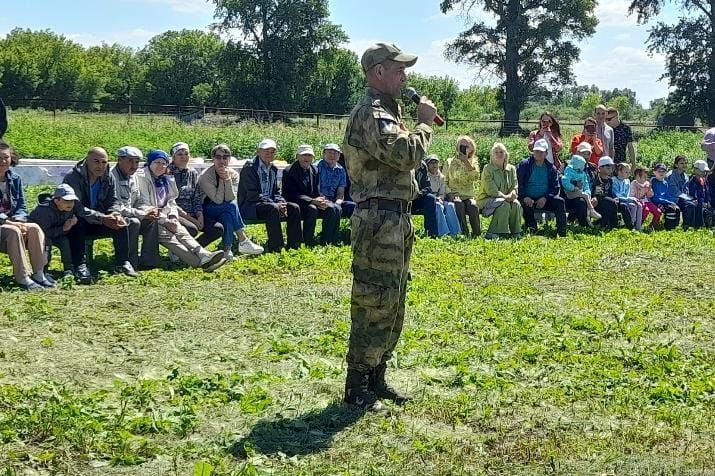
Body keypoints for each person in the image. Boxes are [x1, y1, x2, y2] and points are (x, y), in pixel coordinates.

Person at [342, 42, 436, 410]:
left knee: (393, 298)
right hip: (378, 219)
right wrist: (425, 123)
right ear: (378, 72)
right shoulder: (371, 113)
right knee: (373, 299)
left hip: (395, 217)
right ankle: (357, 385)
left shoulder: (390, 113)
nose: (405, 76)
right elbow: (405, 154)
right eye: (399, 70)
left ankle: (377, 375)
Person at [136, 150, 228, 271]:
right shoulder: (142, 178)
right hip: (147, 218)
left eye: (163, 163)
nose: (160, 166)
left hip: (164, 216)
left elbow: (171, 201)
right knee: (170, 237)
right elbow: (144, 205)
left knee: (181, 231)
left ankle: (203, 254)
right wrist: (165, 221)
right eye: (157, 162)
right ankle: (200, 263)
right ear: (149, 163)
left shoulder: (166, 179)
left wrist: (173, 217)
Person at [63, 147, 140, 283]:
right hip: (78, 219)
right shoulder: (73, 177)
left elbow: (113, 200)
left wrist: (114, 214)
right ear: (87, 161)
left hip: (99, 219)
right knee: (77, 224)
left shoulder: (108, 176)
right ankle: (80, 266)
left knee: (122, 222)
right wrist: (102, 218)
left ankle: (122, 263)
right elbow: (76, 206)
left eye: (104, 162)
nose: (100, 166)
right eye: (96, 161)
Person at [0, 141, 53, 290]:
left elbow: (22, 206)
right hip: (4, 226)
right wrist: (10, 223)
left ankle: (39, 273)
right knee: (14, 231)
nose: (3, 161)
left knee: (34, 228)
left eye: (6, 157)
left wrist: (20, 219)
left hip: (13, 222)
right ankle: (23, 277)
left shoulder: (15, 178)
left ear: (11, 159)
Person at [198, 144, 264, 260]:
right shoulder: (205, 176)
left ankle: (227, 250)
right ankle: (243, 240)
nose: (222, 160)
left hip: (225, 207)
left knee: (227, 214)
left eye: (225, 157)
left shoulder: (233, 174)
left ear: (229, 158)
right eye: (218, 157)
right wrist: (224, 180)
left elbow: (229, 198)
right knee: (231, 207)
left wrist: (227, 179)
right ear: (213, 159)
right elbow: (217, 200)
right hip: (207, 209)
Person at [238, 139, 302, 253]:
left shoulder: (273, 168)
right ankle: (276, 247)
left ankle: (294, 244)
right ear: (258, 152)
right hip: (250, 205)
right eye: (266, 151)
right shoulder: (250, 168)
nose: (269, 154)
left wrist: (281, 202)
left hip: (268, 203)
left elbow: (276, 191)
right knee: (273, 209)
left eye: (272, 152)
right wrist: (275, 204)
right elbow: (252, 194)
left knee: (294, 207)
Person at [111, 146, 161, 269]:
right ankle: (129, 263)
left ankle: (149, 262)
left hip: (132, 212)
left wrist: (148, 210)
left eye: (137, 162)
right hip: (115, 216)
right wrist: (141, 214)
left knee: (152, 220)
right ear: (119, 160)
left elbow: (139, 199)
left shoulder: (134, 176)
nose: (134, 165)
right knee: (134, 222)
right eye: (130, 161)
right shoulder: (110, 177)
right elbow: (117, 207)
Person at [282, 144, 341, 246]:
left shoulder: (314, 170)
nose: (307, 158)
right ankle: (308, 240)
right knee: (312, 209)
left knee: (333, 207)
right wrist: (312, 201)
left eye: (309, 156)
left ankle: (327, 240)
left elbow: (316, 191)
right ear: (297, 156)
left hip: (311, 201)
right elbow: (291, 194)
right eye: (304, 155)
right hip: (295, 201)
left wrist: (322, 200)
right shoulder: (289, 171)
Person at [168, 142, 223, 247]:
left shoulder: (192, 173)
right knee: (192, 229)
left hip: (192, 212)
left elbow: (196, 197)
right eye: (180, 154)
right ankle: (180, 250)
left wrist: (200, 216)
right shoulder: (167, 173)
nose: (183, 157)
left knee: (217, 228)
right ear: (173, 156)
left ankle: (193, 249)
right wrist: (192, 220)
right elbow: (170, 202)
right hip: (175, 213)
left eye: (186, 153)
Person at [517, 139, 567, 236]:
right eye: (536, 151)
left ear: (546, 153)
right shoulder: (524, 165)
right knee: (526, 205)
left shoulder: (551, 168)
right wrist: (524, 196)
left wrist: (545, 198)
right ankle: (532, 229)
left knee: (560, 201)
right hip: (527, 198)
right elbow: (519, 182)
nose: (538, 153)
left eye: (541, 151)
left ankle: (562, 232)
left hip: (545, 199)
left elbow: (555, 187)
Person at [29, 184, 80, 279]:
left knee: (64, 241)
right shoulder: (44, 211)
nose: (70, 203)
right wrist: (63, 229)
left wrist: (70, 225)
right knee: (47, 242)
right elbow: (42, 233)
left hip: (55, 233)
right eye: (66, 200)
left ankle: (68, 269)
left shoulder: (69, 209)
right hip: (37, 235)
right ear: (57, 200)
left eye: (72, 201)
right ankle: (43, 270)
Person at [477, 143, 522, 239]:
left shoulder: (511, 169)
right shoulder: (487, 169)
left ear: (506, 154)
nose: (499, 154)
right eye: (496, 152)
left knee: (516, 204)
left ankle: (516, 232)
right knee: (504, 204)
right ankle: (492, 232)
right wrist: (505, 197)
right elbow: (491, 190)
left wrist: (513, 194)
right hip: (487, 199)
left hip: (505, 198)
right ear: (492, 155)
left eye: (501, 152)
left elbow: (515, 186)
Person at [444, 135, 481, 237]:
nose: (464, 148)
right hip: (454, 194)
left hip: (468, 194)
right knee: (458, 204)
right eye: (461, 146)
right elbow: (444, 180)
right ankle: (464, 231)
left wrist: (466, 162)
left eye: (466, 146)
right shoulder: (449, 161)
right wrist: (449, 193)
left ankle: (477, 233)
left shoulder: (474, 161)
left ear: (471, 149)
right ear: (457, 147)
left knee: (473, 205)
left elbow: (476, 176)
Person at [590, 156, 632, 229]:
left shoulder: (610, 180)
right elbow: (597, 193)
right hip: (598, 202)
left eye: (611, 167)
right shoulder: (596, 179)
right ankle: (613, 225)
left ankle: (630, 227)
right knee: (610, 202)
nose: (610, 168)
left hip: (609, 201)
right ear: (600, 168)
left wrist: (615, 198)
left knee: (623, 205)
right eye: (608, 167)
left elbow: (610, 193)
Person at [316, 143, 356, 218]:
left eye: (335, 153)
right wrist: (326, 201)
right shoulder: (317, 167)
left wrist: (338, 202)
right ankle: (328, 230)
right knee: (333, 208)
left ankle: (355, 229)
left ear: (339, 156)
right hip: (319, 200)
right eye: (329, 153)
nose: (332, 155)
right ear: (324, 154)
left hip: (334, 200)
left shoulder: (341, 170)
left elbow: (340, 192)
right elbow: (316, 189)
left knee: (353, 206)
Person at [426, 154, 461, 236]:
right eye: (431, 163)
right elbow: (425, 191)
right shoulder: (425, 176)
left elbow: (442, 192)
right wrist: (435, 198)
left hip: (440, 198)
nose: (434, 165)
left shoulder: (441, 177)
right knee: (438, 206)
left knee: (450, 205)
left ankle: (455, 232)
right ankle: (443, 232)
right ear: (427, 165)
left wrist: (441, 198)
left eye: (436, 162)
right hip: (429, 199)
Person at [561, 154, 600, 222]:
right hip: (570, 193)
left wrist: (588, 191)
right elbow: (565, 181)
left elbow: (586, 184)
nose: (584, 167)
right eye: (582, 165)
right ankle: (592, 210)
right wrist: (573, 187)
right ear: (578, 165)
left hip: (580, 192)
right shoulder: (569, 171)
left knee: (586, 196)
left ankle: (588, 220)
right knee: (585, 196)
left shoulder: (582, 173)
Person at [665, 155, 698, 230]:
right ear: (676, 165)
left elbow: (686, 191)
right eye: (682, 163)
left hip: (681, 199)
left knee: (691, 205)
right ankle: (673, 226)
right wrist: (690, 199)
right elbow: (675, 192)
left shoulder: (685, 176)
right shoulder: (670, 175)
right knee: (689, 203)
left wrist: (691, 199)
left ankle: (687, 225)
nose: (684, 165)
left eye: (686, 163)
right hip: (671, 198)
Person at [611, 163, 643, 231]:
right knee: (633, 206)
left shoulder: (627, 181)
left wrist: (631, 199)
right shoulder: (614, 180)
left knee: (639, 205)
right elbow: (616, 195)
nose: (628, 174)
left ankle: (638, 227)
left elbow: (628, 194)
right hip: (618, 200)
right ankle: (630, 226)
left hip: (627, 199)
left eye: (629, 172)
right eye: (626, 172)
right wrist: (630, 199)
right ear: (619, 172)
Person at [412, 159, 440, 237]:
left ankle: (432, 233)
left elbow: (427, 187)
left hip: (417, 198)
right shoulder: (403, 162)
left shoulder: (422, 166)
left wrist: (418, 194)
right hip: (402, 196)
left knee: (430, 198)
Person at [650, 163, 681, 230]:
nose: (661, 173)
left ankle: (674, 226)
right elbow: (656, 197)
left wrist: (672, 202)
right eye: (659, 171)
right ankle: (668, 227)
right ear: (655, 172)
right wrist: (668, 202)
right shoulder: (653, 181)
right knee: (670, 209)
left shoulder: (665, 183)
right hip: (656, 202)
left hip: (664, 202)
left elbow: (667, 195)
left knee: (677, 208)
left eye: (663, 171)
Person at [629, 166, 661, 231]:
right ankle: (638, 225)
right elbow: (632, 195)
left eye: (646, 177)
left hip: (646, 201)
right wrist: (641, 189)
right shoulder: (634, 184)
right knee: (646, 210)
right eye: (644, 177)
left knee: (658, 212)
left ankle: (652, 226)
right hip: (637, 201)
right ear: (637, 176)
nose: (646, 179)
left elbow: (650, 195)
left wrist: (649, 189)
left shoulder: (646, 183)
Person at [686, 160, 713, 229]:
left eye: (705, 171)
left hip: (704, 203)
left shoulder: (704, 180)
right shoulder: (692, 182)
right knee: (699, 208)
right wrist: (701, 202)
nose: (704, 172)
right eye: (702, 171)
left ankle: (709, 225)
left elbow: (707, 193)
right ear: (695, 170)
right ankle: (699, 225)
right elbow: (692, 195)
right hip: (697, 203)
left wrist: (707, 201)